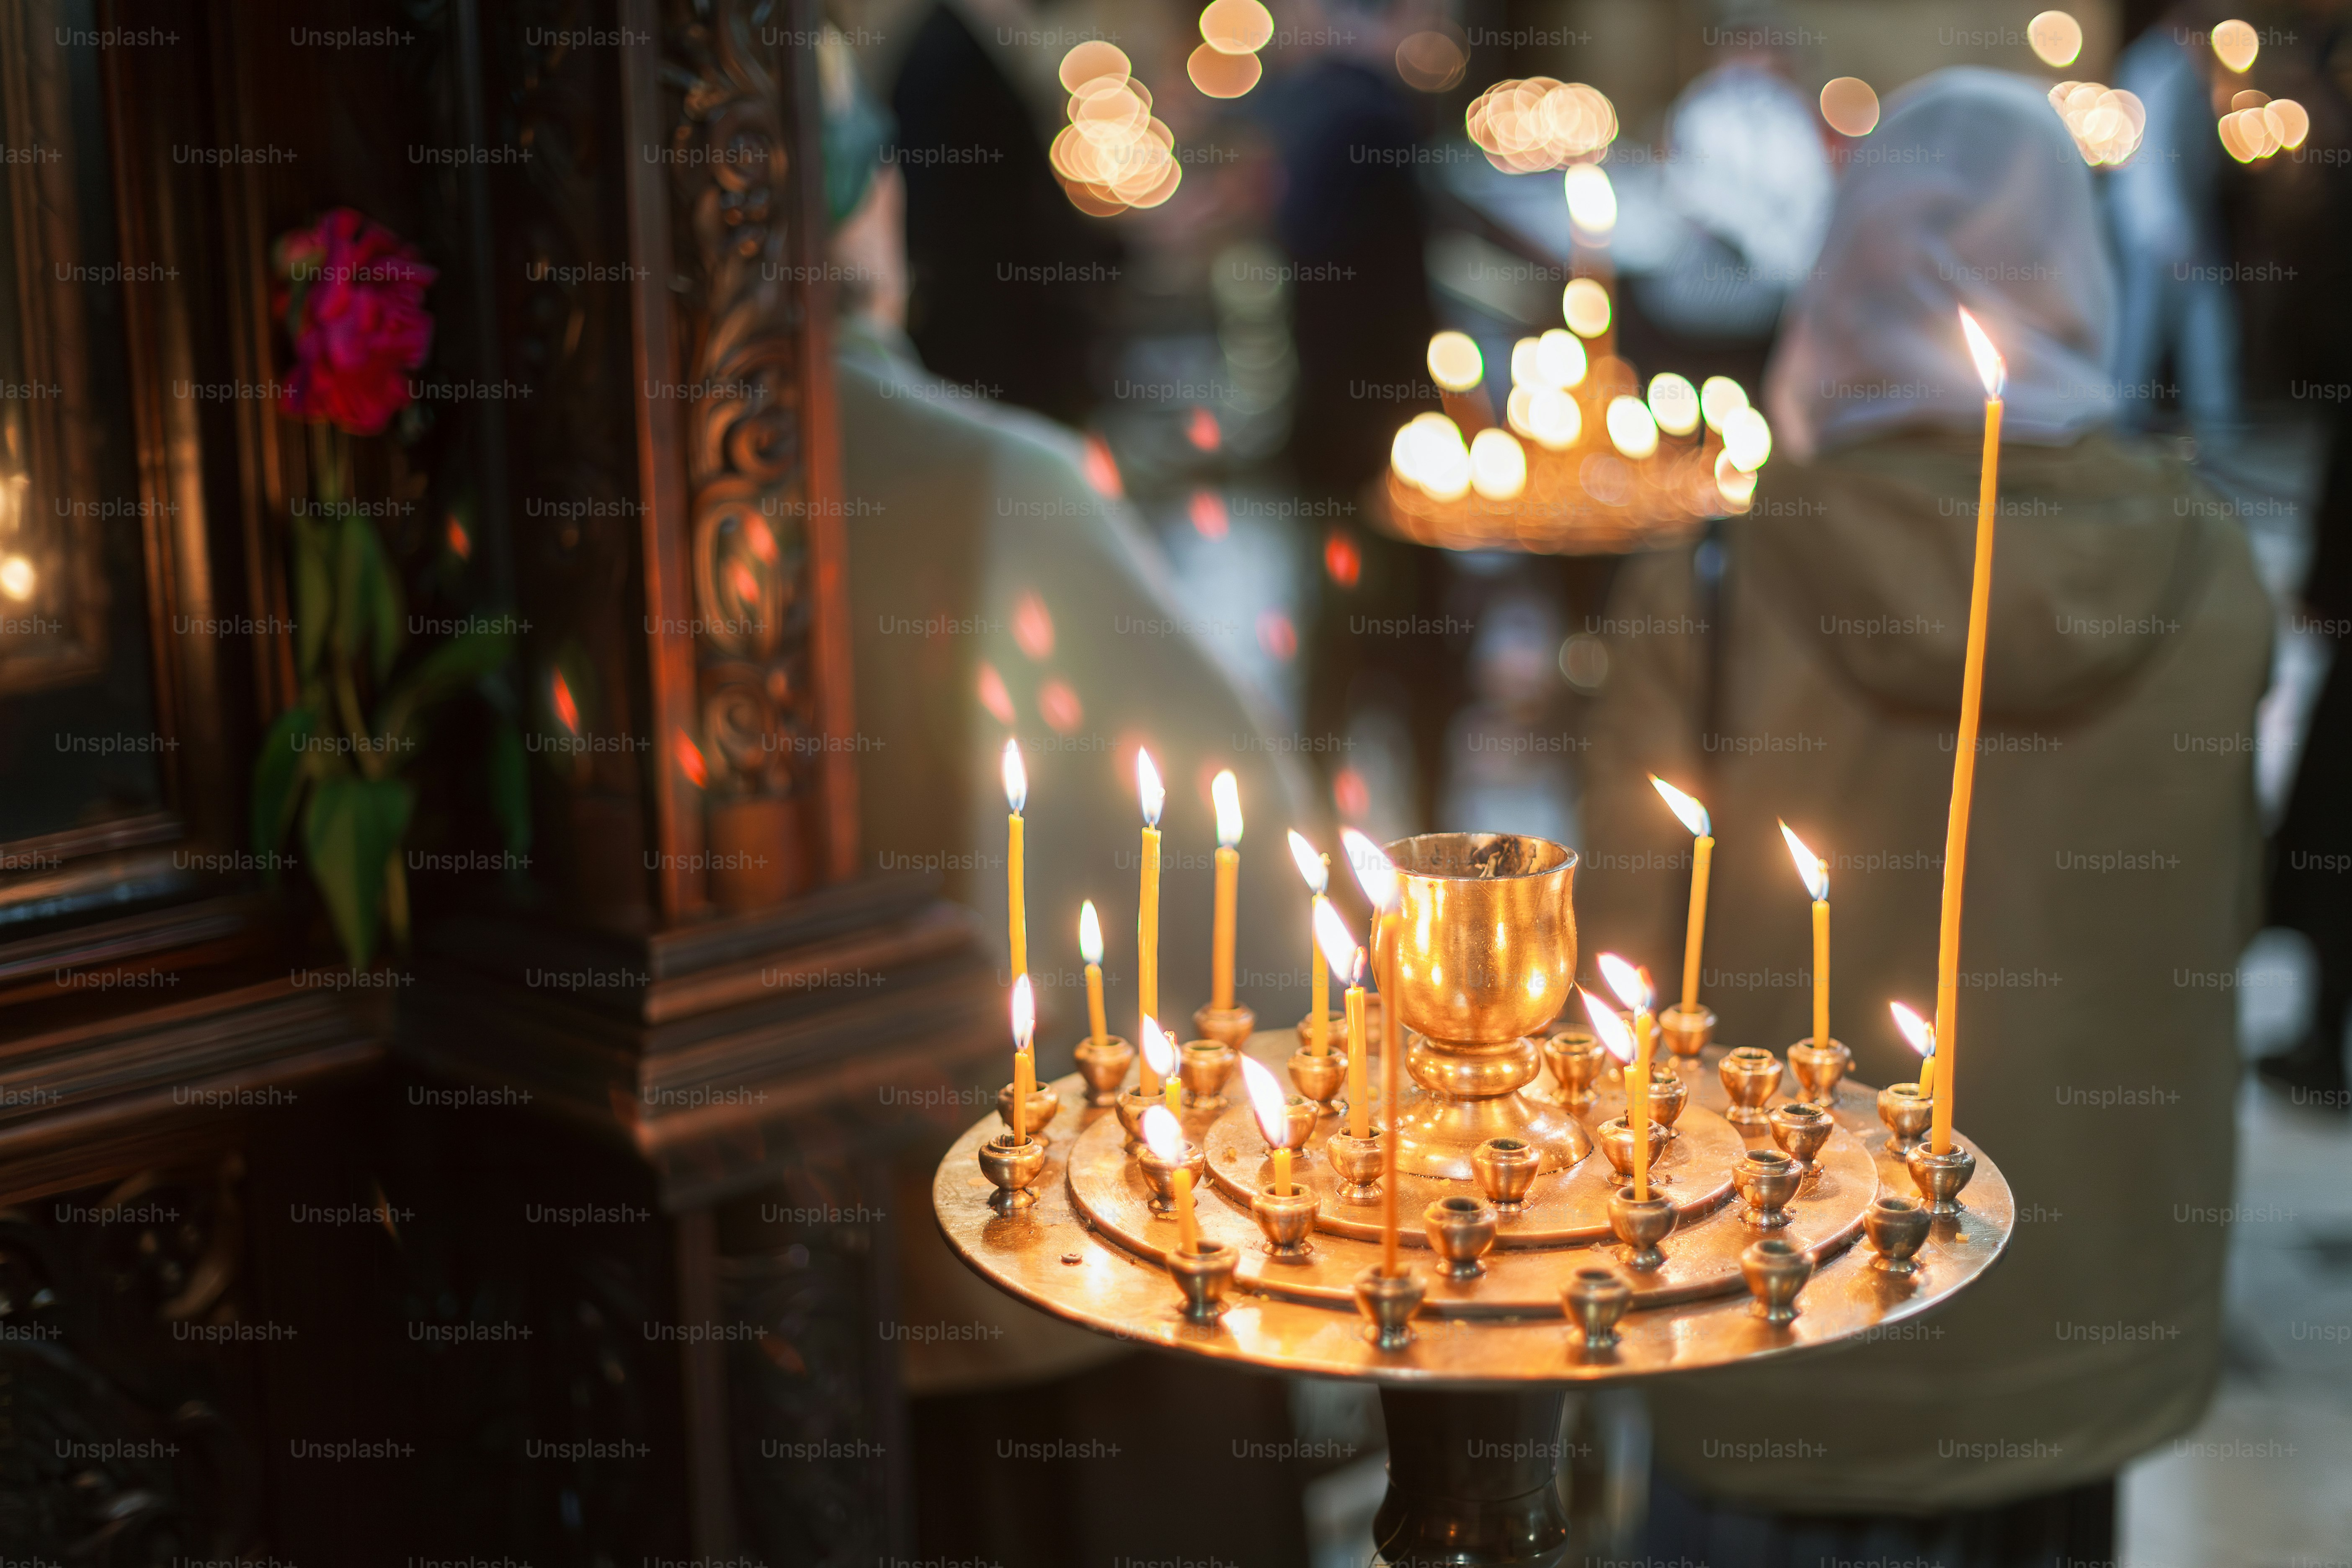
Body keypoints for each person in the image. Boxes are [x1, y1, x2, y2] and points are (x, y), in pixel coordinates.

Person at [1576, 69, 2271, 1562]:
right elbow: (2230, 910)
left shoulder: (1722, 579)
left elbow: (1615, 963)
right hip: (2076, 1316)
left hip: (1783, 1299)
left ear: (1846, 265)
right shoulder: (2209, 565)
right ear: (2079, 268)